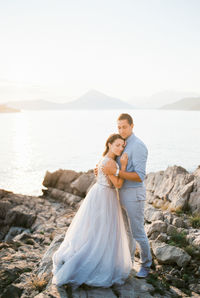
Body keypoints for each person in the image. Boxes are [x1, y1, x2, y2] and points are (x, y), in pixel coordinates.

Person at [51, 134, 132, 288]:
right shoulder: (112, 163)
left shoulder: (103, 159)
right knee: (103, 230)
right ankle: (97, 262)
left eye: (122, 146)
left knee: (95, 230)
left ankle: (98, 258)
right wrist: (125, 165)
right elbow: (118, 184)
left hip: (98, 194)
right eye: (117, 145)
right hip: (105, 196)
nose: (120, 148)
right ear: (109, 144)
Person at [102, 113, 152, 278]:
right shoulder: (122, 144)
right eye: (119, 127)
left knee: (138, 232)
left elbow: (139, 175)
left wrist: (116, 171)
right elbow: (111, 163)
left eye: (124, 127)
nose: (121, 130)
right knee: (127, 232)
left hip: (134, 194)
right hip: (120, 194)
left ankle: (146, 265)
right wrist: (102, 170)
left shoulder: (138, 146)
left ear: (132, 126)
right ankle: (129, 262)